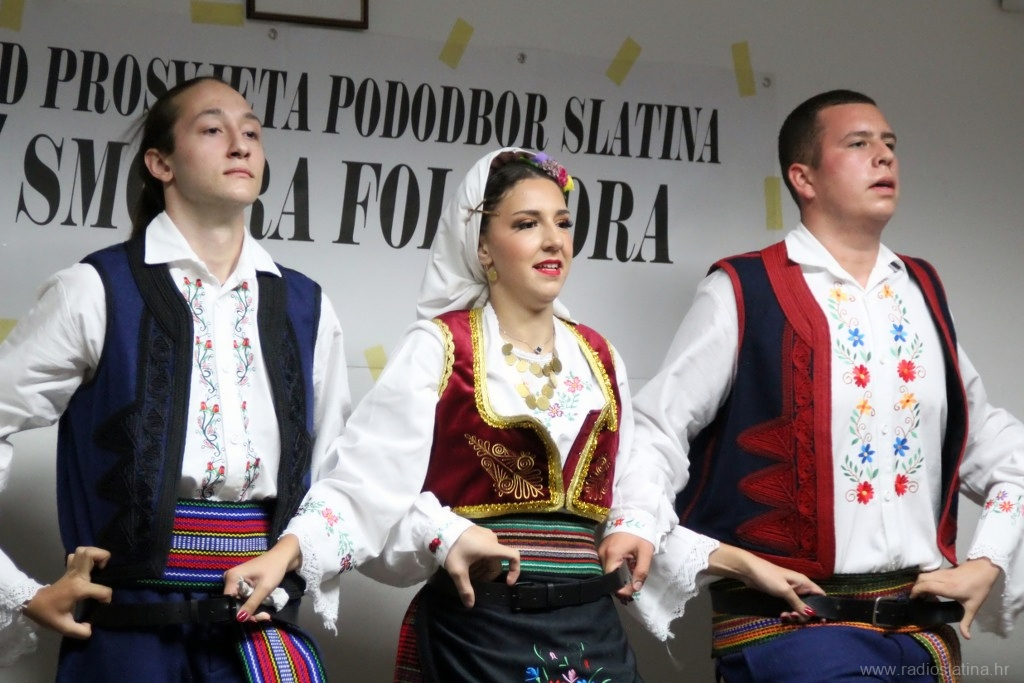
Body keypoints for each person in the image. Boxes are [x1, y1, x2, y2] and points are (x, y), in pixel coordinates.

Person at [232, 146, 824, 683]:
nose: (553, 241)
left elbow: (630, 511)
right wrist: (304, 552)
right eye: (526, 224)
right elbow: (368, 489)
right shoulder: (441, 348)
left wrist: (742, 564)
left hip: (592, 635)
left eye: (562, 223)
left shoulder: (598, 357)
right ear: (482, 247)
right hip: (479, 634)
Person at [601, 89, 1024, 682]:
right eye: (859, 143)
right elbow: (658, 429)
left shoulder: (920, 292)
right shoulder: (742, 289)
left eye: (889, 144)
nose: (884, 156)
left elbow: (999, 450)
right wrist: (636, 522)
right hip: (792, 639)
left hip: (920, 642)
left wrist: (988, 559)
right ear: (803, 178)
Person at [0, 76, 352, 682]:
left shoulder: (306, 307)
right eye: (213, 129)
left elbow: (342, 473)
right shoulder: (95, 290)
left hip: (258, 634)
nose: (240, 144)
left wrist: (293, 554)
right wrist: (18, 593)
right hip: (129, 641)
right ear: (160, 163)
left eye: (251, 132)